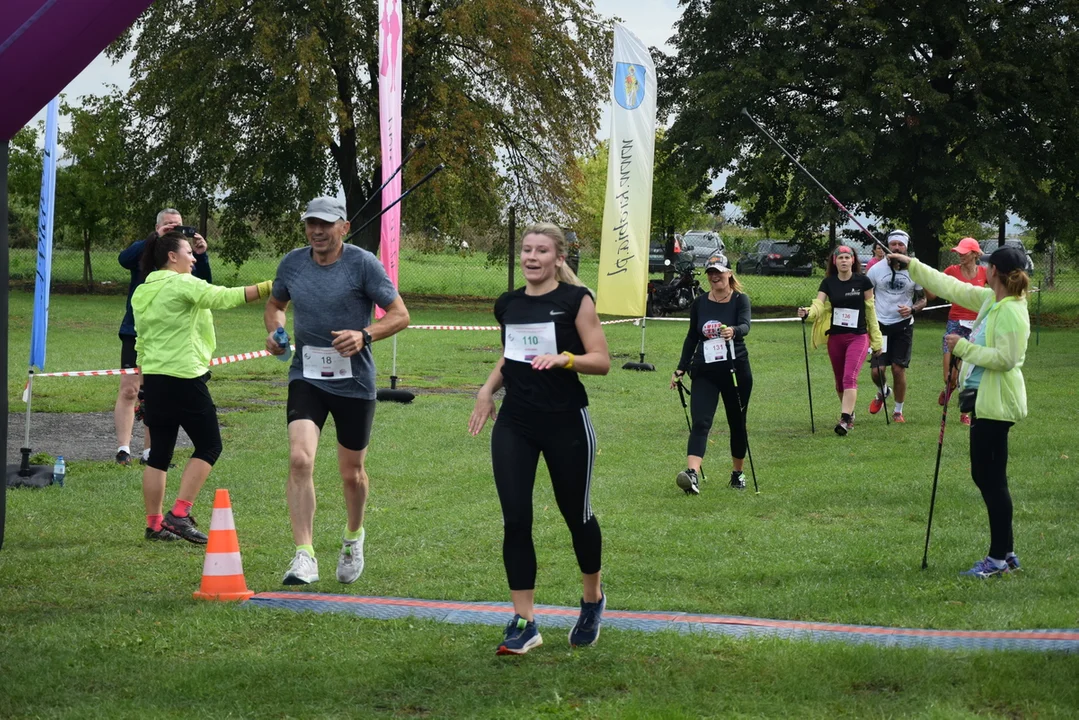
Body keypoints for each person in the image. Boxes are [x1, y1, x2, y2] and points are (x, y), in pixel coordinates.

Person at [468, 223, 610, 655]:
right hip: (516, 422)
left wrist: (565, 359)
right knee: (515, 518)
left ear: (558, 259)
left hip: (567, 422)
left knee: (576, 515)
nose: (531, 257)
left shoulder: (575, 300)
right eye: (526, 250)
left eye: (541, 251)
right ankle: (524, 621)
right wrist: (486, 389)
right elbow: (511, 353)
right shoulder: (507, 304)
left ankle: (592, 599)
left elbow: (601, 360)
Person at [265, 197, 410, 586]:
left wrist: (364, 335)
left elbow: (400, 315)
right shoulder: (293, 263)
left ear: (343, 227)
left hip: (354, 383)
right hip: (306, 377)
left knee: (352, 473)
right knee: (299, 459)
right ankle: (304, 555)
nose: (317, 231)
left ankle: (353, 537)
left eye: (326, 224)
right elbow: (276, 303)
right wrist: (276, 331)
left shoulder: (362, 264)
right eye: (312, 223)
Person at [890, 246, 1029, 578]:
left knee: (989, 478)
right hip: (984, 401)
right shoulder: (991, 300)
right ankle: (1006, 553)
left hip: (996, 404)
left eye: (986, 265)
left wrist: (962, 347)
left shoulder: (1010, 310)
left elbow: (1006, 360)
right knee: (990, 477)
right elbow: (952, 287)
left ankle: (997, 559)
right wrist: (912, 264)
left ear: (993, 270)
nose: (983, 268)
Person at [131, 231, 270, 542]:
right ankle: (179, 514)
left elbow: (141, 341)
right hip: (184, 377)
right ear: (172, 256)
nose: (194, 258)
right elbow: (223, 297)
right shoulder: (182, 283)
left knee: (159, 455)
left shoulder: (142, 291)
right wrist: (270, 287)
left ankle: (154, 525)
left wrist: (143, 386)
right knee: (209, 445)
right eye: (188, 253)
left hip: (154, 379)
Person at [115, 209, 211, 466]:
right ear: (157, 226)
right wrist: (155, 237)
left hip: (170, 335)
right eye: (168, 226)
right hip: (135, 329)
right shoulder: (146, 249)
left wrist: (201, 255)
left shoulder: (183, 255)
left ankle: (151, 452)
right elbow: (123, 260)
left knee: (156, 394)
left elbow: (204, 286)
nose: (173, 229)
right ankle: (123, 449)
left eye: (177, 226)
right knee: (129, 389)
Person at [670, 254, 752, 495]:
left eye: (719, 271)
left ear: (729, 273)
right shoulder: (700, 303)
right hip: (704, 370)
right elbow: (692, 336)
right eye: (710, 272)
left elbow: (746, 325)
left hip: (735, 370)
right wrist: (680, 368)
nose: (714, 276)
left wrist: (734, 331)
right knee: (701, 422)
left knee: (737, 423)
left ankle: (738, 473)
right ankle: (692, 474)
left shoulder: (740, 300)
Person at [798, 245, 883, 435]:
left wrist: (876, 341)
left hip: (858, 337)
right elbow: (818, 305)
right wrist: (808, 312)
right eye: (840, 258)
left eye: (847, 257)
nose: (844, 261)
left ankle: (844, 420)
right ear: (834, 262)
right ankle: (850, 414)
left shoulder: (863, 282)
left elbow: (871, 312)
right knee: (839, 382)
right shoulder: (828, 283)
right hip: (835, 337)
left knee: (849, 377)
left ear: (853, 260)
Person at [865, 230, 926, 423]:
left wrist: (913, 309)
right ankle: (884, 392)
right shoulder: (875, 270)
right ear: (887, 246)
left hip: (903, 326)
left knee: (898, 369)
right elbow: (866, 295)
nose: (897, 247)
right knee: (877, 371)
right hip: (880, 326)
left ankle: (898, 411)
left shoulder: (914, 270)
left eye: (901, 244)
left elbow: (924, 298)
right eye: (894, 244)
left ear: (906, 247)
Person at [931, 237, 987, 426]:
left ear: (975, 254)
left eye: (965, 252)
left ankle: (965, 412)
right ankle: (949, 388)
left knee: (967, 373)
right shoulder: (952, 271)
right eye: (959, 252)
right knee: (951, 377)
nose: (961, 255)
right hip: (955, 323)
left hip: (976, 325)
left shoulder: (984, 272)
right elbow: (935, 287)